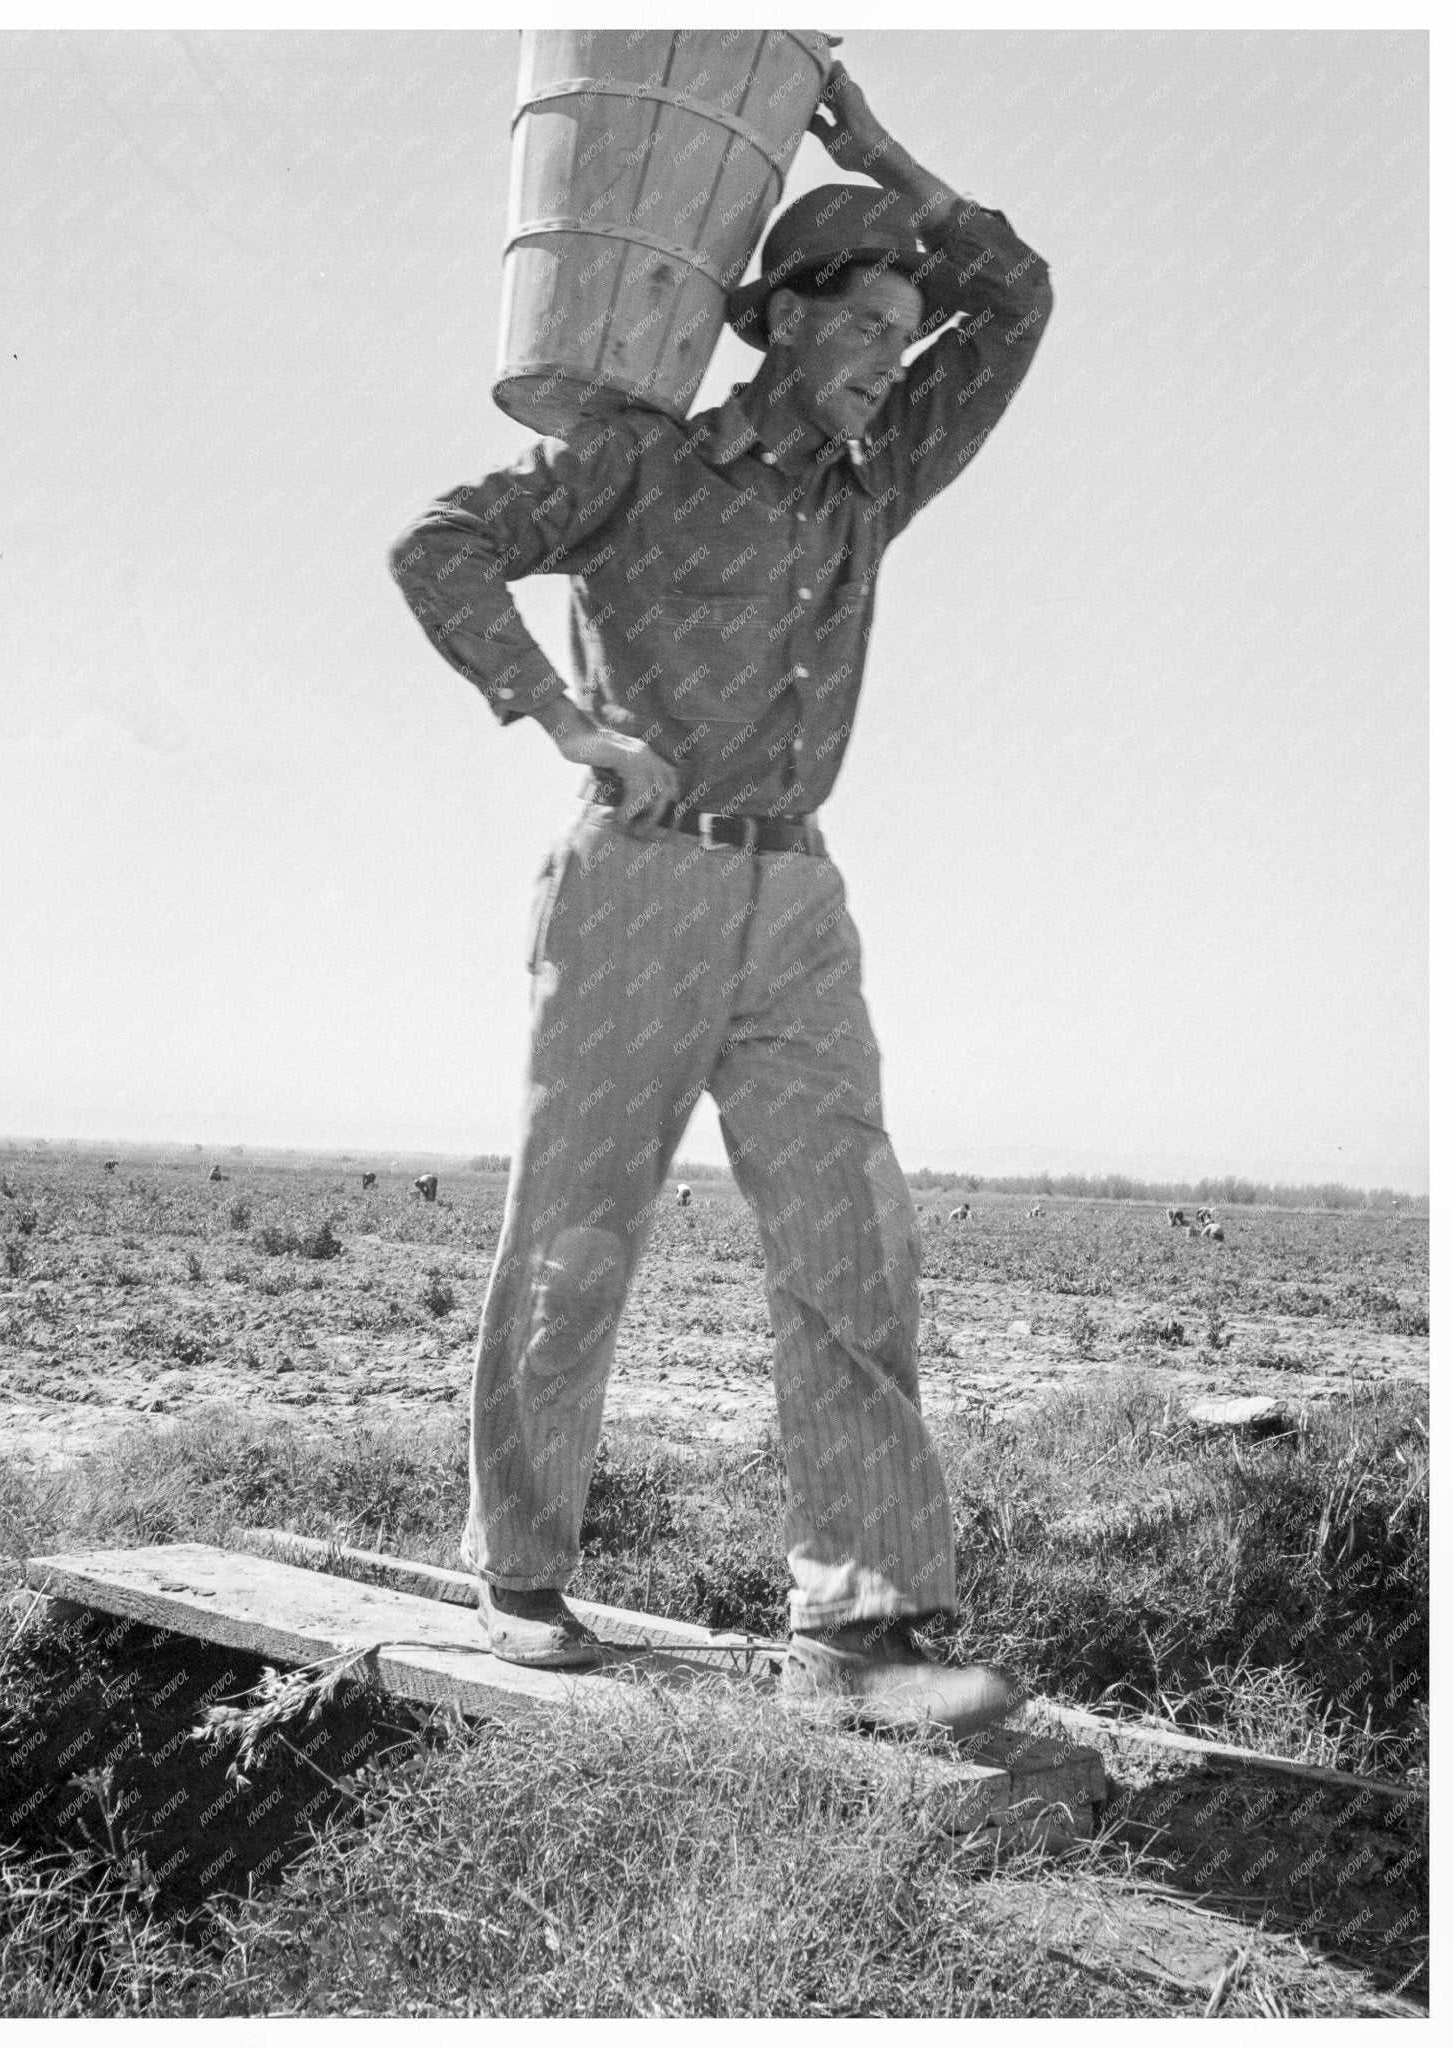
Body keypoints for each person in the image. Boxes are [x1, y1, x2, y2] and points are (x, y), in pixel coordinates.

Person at [390, 65, 1052, 1736]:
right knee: (577, 1237)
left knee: (850, 1237)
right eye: (867, 325)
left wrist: (875, 152)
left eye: (907, 332)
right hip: (635, 892)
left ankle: (867, 1618)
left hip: (797, 905)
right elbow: (441, 542)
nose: (893, 356)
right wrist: (560, 718)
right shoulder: (639, 461)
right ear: (781, 320)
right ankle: (520, 1571)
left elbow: (1021, 297)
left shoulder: (875, 475)